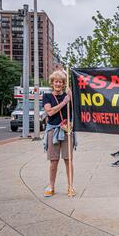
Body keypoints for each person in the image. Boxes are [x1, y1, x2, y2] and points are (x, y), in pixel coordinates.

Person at [43, 70, 76, 198]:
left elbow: (76, 109)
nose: (58, 84)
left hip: (67, 130)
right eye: (56, 81)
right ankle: (51, 186)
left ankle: (70, 186)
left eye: (60, 82)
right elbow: (50, 112)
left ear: (63, 84)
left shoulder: (68, 95)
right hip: (53, 131)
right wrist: (64, 102)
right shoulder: (47, 96)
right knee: (54, 161)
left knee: (68, 160)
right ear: (52, 83)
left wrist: (70, 97)